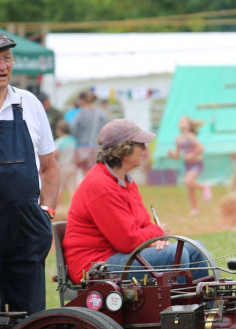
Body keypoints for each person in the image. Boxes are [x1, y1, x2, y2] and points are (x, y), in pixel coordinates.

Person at [0, 31, 58, 314]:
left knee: (28, 323)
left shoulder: (29, 103)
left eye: (7, 58)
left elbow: (49, 165)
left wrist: (46, 212)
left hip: (26, 231)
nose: (3, 66)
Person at [63, 119, 210, 283]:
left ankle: (205, 308)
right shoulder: (100, 185)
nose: (145, 150)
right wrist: (158, 233)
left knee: (196, 248)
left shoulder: (125, 180)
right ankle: (181, 307)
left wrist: (155, 239)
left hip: (117, 255)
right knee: (175, 255)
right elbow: (128, 241)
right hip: (95, 265)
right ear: (123, 151)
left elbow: (144, 224)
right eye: (141, 145)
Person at [168, 115, 212, 216]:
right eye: (180, 121)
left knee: (187, 181)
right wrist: (172, 155)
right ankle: (195, 209)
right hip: (187, 164)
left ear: (189, 125)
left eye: (183, 121)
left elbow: (201, 148)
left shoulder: (191, 136)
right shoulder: (178, 138)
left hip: (197, 163)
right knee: (190, 188)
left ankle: (204, 186)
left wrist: (193, 156)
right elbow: (178, 155)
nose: (181, 123)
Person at [71, 89, 108, 175]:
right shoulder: (101, 113)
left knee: (85, 173)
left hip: (83, 146)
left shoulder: (81, 113)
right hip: (97, 147)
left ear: (82, 100)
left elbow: (74, 129)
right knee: (97, 171)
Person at [54, 119, 79, 206]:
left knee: (60, 187)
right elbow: (76, 154)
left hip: (62, 166)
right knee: (71, 188)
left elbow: (55, 154)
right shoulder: (73, 140)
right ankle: (72, 205)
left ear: (60, 130)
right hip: (72, 166)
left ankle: (59, 206)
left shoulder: (59, 141)